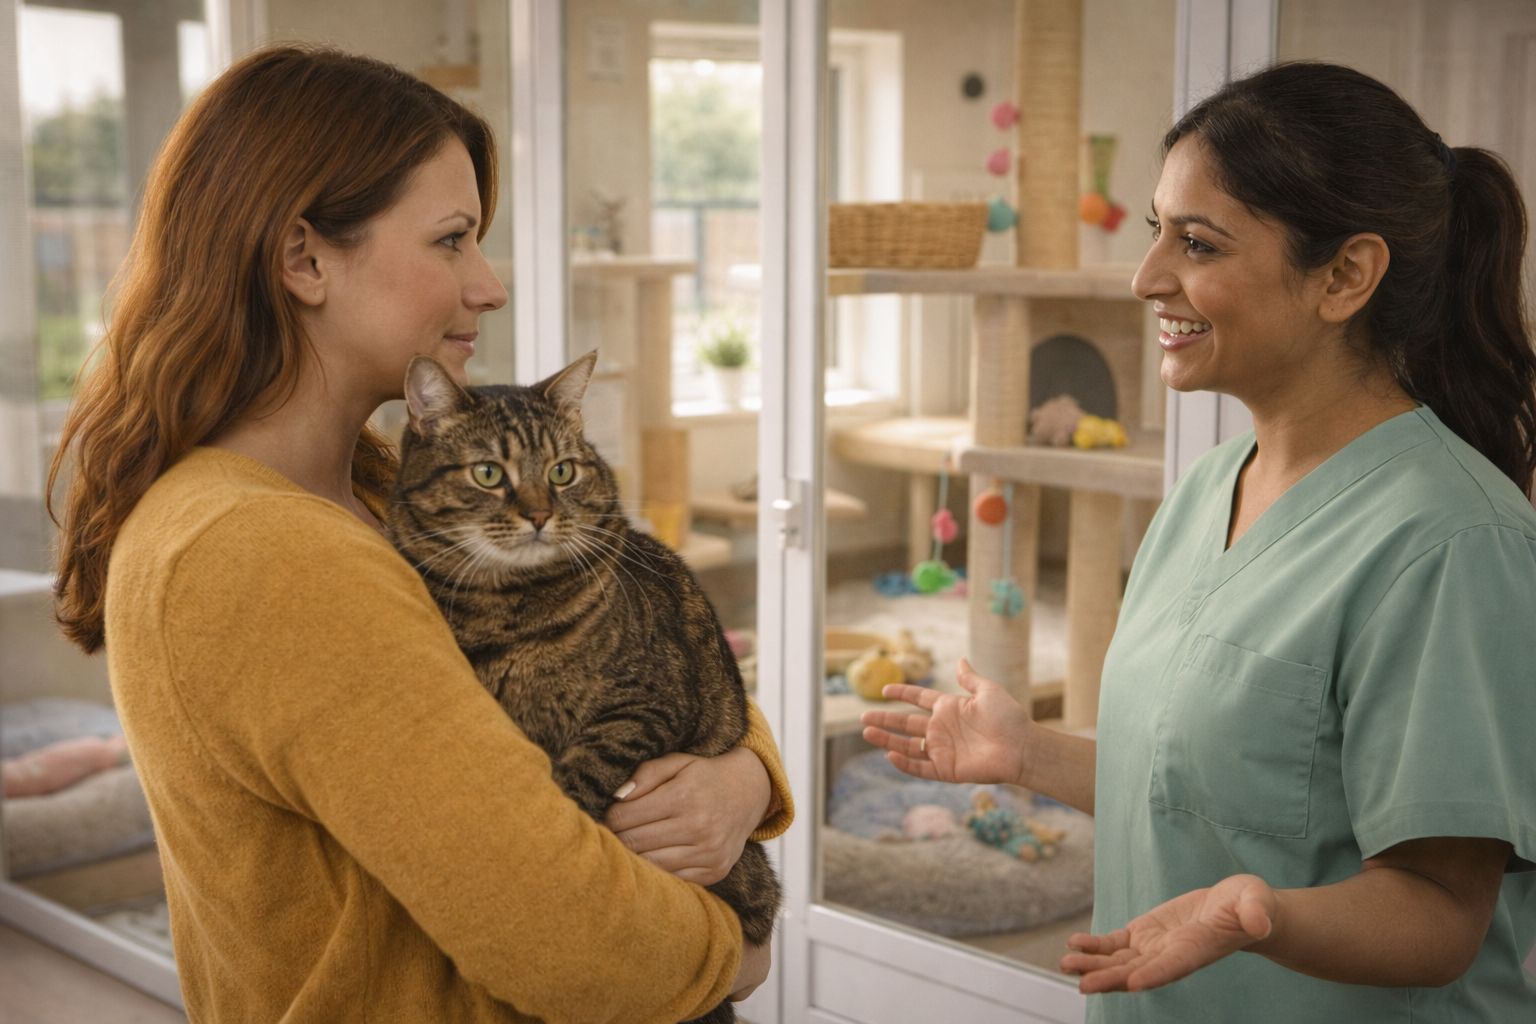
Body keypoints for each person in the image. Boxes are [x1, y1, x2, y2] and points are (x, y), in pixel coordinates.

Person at [50, 47, 792, 1023]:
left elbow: (649, 628)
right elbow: (576, 942)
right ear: (304, 257)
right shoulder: (270, 553)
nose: (489, 285)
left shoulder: (381, 485)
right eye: (452, 240)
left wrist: (746, 776)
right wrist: (735, 954)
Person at [863, 61, 1536, 1021]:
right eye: (1155, 231)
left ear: (1345, 275)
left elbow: (1440, 915)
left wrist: (1263, 916)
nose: (1147, 278)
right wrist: (1028, 755)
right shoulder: (1211, 488)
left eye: (1199, 243)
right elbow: (1214, 788)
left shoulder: (1454, 544)